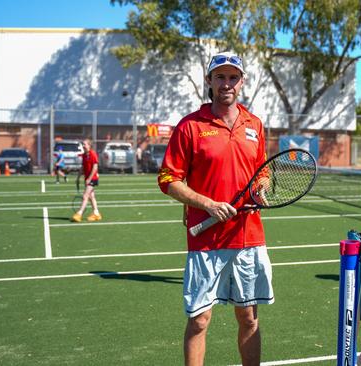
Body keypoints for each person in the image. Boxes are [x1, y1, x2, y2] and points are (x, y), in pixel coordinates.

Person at [157, 51, 272, 366]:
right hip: (206, 241)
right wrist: (207, 204)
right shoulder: (190, 126)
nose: (227, 83)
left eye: (233, 77)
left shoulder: (255, 125)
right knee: (199, 320)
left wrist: (262, 187)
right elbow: (168, 179)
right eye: (220, 77)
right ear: (209, 81)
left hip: (249, 237)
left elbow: (262, 171)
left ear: (242, 82)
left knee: (248, 317)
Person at [71, 139, 102, 222]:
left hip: (93, 178)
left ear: (89, 145)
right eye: (83, 144)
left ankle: (79, 214)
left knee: (85, 196)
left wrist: (89, 178)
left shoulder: (93, 154)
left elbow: (95, 167)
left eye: (85, 144)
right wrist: (78, 178)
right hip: (87, 179)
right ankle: (96, 213)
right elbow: (82, 168)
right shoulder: (84, 155)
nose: (83, 146)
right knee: (91, 197)